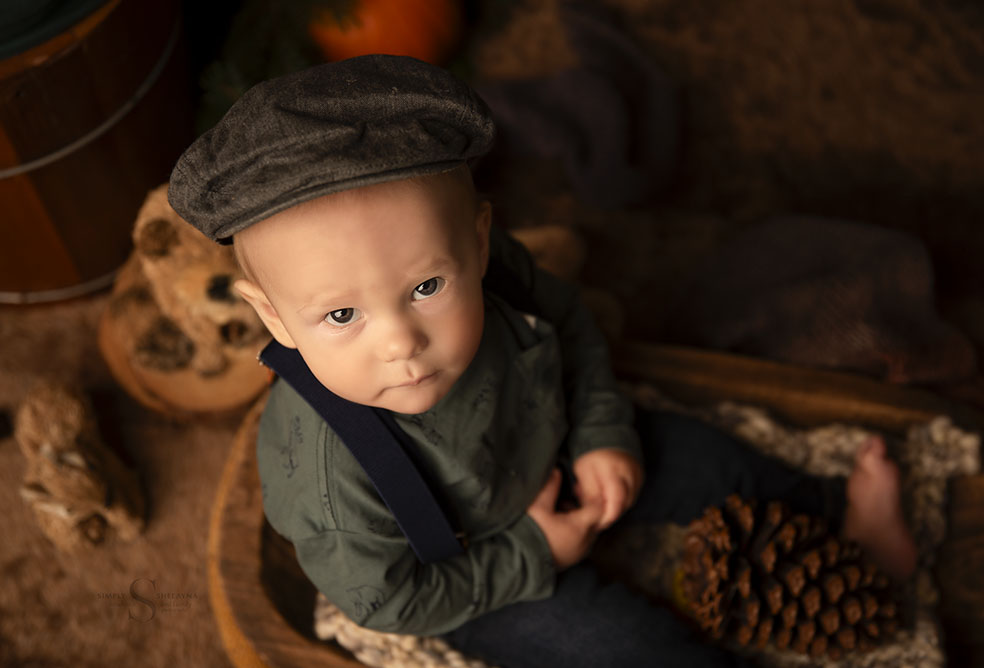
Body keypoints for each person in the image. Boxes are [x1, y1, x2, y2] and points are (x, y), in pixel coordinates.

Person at [168, 54, 916, 667]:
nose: (399, 341)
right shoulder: (329, 480)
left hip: (553, 447)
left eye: (427, 285)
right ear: (274, 319)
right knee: (626, 651)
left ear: (480, 243)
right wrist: (532, 554)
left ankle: (837, 516)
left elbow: (576, 334)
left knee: (714, 462)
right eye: (340, 315)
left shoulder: (504, 279)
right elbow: (390, 601)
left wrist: (601, 436)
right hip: (480, 572)